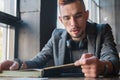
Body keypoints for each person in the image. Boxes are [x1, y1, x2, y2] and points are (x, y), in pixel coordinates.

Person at [0, 0, 119, 78]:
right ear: (61, 20)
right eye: (67, 18)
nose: (73, 24)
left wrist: (102, 66)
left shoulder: (102, 30)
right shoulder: (56, 36)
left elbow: (113, 60)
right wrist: (18, 64)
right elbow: (38, 61)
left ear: (86, 15)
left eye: (78, 16)